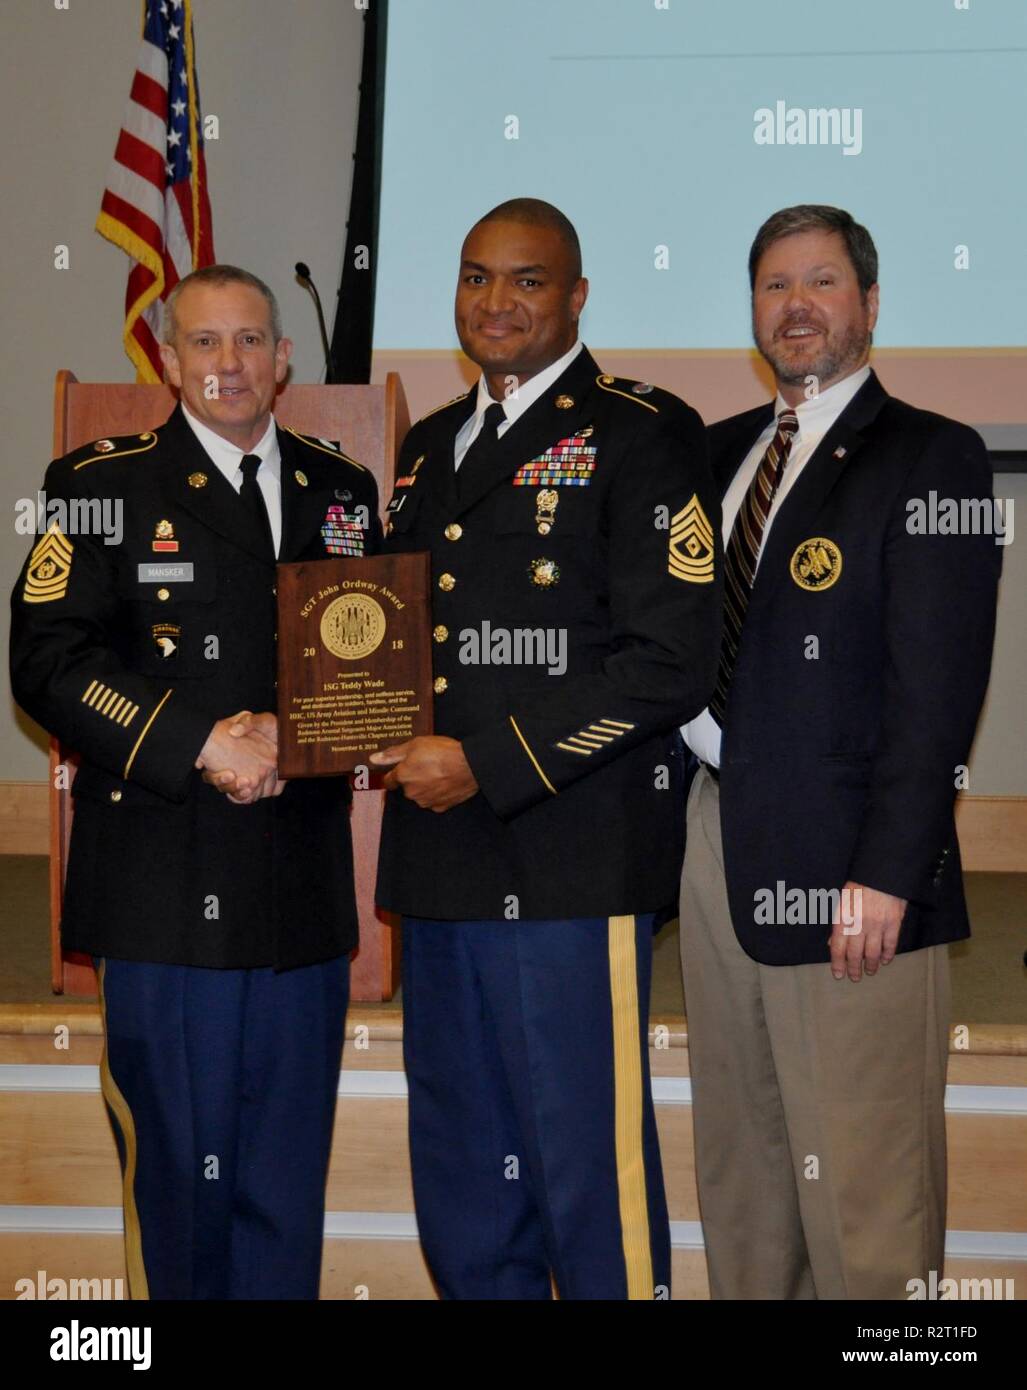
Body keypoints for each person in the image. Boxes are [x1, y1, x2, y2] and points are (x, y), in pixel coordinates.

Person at [368, 198, 722, 1300]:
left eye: (527, 280)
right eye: (476, 277)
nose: (496, 301)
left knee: (585, 1165)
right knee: (465, 1165)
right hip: (440, 860)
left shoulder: (643, 429)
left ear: (576, 297)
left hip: (567, 855)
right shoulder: (428, 446)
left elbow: (669, 661)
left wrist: (489, 761)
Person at [9, 264, 381, 1299]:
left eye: (251, 341)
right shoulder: (97, 485)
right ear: (169, 360)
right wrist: (202, 739)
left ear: (285, 357)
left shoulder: (339, 488)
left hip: (298, 897)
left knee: (283, 1181)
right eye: (207, 344)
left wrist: (291, 733)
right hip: (163, 892)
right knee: (177, 1184)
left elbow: (367, 666)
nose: (231, 364)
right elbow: (48, 659)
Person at [678, 205, 1001, 1299]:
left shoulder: (933, 456)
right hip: (716, 837)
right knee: (744, 1167)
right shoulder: (716, 455)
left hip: (853, 869)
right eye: (775, 285)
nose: (797, 305)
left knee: (867, 1193)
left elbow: (938, 693)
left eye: (822, 282)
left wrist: (887, 869)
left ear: (869, 304)